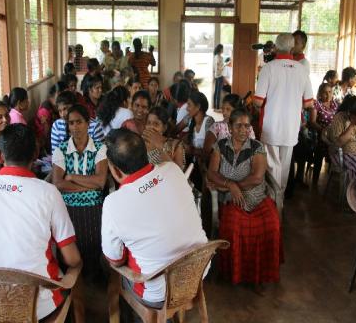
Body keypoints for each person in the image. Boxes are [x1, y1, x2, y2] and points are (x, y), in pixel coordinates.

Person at [0, 124, 82, 321]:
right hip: (40, 308)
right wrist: (79, 264)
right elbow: (72, 259)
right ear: (35, 155)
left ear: (0, 156)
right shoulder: (48, 193)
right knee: (74, 268)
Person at [101, 129, 207, 307]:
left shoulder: (113, 203)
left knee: (107, 266)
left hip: (158, 293)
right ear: (146, 154)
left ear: (114, 169)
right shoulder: (173, 170)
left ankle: (138, 316)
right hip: (198, 273)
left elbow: (115, 259)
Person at [207, 108, 282, 285]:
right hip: (232, 200)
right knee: (234, 227)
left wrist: (231, 186)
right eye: (238, 125)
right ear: (230, 127)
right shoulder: (220, 146)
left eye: (246, 126)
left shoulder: (257, 147)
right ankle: (236, 274)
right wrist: (230, 186)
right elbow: (211, 172)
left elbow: (257, 177)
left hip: (256, 197)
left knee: (272, 225)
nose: (243, 129)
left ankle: (260, 275)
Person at [254, 33, 313, 206]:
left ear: (276, 47)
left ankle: (273, 204)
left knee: (272, 167)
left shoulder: (269, 68)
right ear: (292, 47)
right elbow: (308, 102)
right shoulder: (302, 69)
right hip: (291, 127)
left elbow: (258, 101)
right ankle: (279, 203)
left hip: (271, 126)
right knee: (285, 168)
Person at [52, 105, 108, 277]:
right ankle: (74, 280)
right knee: (72, 244)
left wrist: (71, 176)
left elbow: (100, 182)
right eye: (71, 123)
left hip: (93, 207)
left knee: (94, 245)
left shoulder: (100, 148)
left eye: (79, 122)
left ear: (88, 123)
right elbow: (58, 183)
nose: (75, 127)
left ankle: (92, 276)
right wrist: (87, 184)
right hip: (68, 208)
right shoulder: (61, 149)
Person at [203, 93, 255, 159]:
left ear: (237, 110)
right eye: (223, 108)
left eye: (228, 109)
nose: (224, 112)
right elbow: (206, 151)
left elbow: (252, 150)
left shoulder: (248, 129)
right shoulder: (217, 127)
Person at [309, 83, 338, 183]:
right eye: (325, 93)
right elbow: (312, 122)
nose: (328, 95)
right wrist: (324, 131)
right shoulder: (317, 104)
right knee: (318, 158)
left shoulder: (335, 104)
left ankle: (330, 181)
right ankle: (315, 181)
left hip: (332, 136)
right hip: (320, 135)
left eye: (330, 92)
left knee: (335, 156)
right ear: (320, 94)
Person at [327, 95, 356, 182]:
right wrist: (352, 125)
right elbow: (337, 144)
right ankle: (352, 193)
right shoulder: (339, 118)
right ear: (352, 112)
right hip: (341, 154)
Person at [34, 82, 66, 154]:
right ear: (56, 94)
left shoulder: (56, 106)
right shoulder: (45, 111)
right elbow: (46, 134)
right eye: (61, 95)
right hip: (45, 146)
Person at [213, 44, 225, 110]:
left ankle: (215, 106)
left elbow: (215, 67)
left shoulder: (215, 56)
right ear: (220, 49)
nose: (223, 50)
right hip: (219, 76)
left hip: (216, 75)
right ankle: (217, 107)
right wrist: (224, 66)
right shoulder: (219, 57)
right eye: (222, 49)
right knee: (218, 92)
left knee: (216, 92)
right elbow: (218, 67)